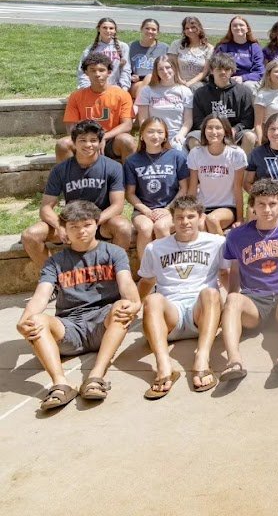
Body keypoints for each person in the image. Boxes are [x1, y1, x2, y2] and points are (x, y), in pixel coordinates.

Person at [17, 200, 140, 410]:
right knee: (35, 321)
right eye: (74, 227)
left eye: (87, 225)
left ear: (96, 224)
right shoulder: (55, 262)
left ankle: (96, 377)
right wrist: (25, 320)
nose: (81, 231)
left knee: (122, 306)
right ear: (64, 229)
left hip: (105, 323)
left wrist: (135, 302)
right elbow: (41, 295)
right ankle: (60, 384)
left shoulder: (113, 253)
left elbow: (126, 282)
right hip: (69, 326)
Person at [219, 179, 278, 379]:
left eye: (272, 204)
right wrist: (232, 310)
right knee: (233, 299)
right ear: (252, 205)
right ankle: (233, 361)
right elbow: (234, 271)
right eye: (261, 204)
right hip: (254, 300)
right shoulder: (236, 236)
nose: (267, 209)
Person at [137, 196, 226, 396]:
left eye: (190, 217)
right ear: (172, 220)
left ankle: (202, 358)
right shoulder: (156, 247)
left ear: (200, 218)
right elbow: (146, 281)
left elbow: (227, 275)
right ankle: (164, 367)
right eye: (179, 217)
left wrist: (234, 302)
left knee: (211, 292)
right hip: (171, 315)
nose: (185, 222)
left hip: (201, 314)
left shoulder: (217, 243)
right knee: (153, 299)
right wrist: (133, 304)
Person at [22, 120, 132, 269]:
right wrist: (60, 226)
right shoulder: (60, 169)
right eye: (82, 140)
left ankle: (114, 275)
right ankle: (56, 278)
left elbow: (117, 206)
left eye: (93, 140)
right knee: (31, 235)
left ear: (101, 143)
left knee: (124, 227)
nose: (88, 145)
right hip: (70, 222)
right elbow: (45, 208)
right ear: (74, 142)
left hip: (100, 223)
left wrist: (94, 223)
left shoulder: (113, 167)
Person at [125, 117, 189, 252]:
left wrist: (167, 209)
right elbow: (129, 194)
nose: (155, 136)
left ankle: (167, 270)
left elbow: (184, 188)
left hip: (172, 208)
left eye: (160, 132)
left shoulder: (177, 157)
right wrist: (146, 211)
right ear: (141, 135)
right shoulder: (132, 161)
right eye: (150, 132)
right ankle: (146, 272)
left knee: (161, 227)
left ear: (166, 135)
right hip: (143, 210)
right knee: (145, 228)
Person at [61, 51, 136, 163]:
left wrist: (103, 137)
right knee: (63, 144)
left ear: (109, 72)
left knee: (127, 140)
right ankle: (67, 179)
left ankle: (128, 179)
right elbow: (71, 126)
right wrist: (88, 141)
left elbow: (127, 125)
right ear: (86, 72)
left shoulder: (122, 94)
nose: (97, 74)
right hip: (85, 139)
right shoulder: (76, 96)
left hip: (111, 139)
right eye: (92, 70)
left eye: (101, 70)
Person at [187, 114, 248, 234]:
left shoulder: (236, 154)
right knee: (199, 225)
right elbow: (192, 188)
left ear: (225, 131)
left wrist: (240, 219)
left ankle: (225, 252)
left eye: (218, 128)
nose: (214, 132)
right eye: (209, 128)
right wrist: (189, 211)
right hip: (203, 206)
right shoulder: (196, 153)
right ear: (204, 131)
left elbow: (237, 188)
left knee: (212, 220)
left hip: (227, 207)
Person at [189, 53, 256, 154]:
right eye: (219, 69)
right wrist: (212, 130)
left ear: (232, 71)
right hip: (209, 130)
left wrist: (235, 129)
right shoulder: (200, 93)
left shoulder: (244, 92)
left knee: (250, 136)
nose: (223, 72)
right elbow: (198, 120)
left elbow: (248, 120)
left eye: (227, 69)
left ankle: (242, 168)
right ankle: (204, 168)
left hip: (235, 132)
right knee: (193, 139)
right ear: (211, 71)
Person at [135, 55, 193, 150]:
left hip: (176, 135)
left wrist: (180, 136)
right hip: (154, 134)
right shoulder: (147, 91)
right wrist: (150, 135)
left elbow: (188, 121)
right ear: (156, 72)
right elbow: (143, 119)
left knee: (178, 152)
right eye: (160, 69)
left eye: (168, 67)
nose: (165, 72)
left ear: (174, 68)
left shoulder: (185, 91)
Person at [76, 16, 130, 90]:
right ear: (98, 29)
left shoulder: (123, 47)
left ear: (115, 30)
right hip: (94, 88)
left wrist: (124, 87)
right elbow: (82, 71)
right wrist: (86, 87)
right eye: (104, 28)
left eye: (111, 28)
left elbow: (126, 70)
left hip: (115, 88)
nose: (108, 31)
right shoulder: (91, 49)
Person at [214, 16, 265, 90]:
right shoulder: (223, 47)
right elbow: (216, 67)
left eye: (241, 25)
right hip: (226, 78)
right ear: (230, 29)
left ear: (247, 29)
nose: (238, 28)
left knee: (248, 86)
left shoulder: (255, 47)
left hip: (248, 81)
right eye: (234, 26)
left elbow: (259, 72)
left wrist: (243, 78)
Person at [253, 60, 278, 143]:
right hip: (268, 131)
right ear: (268, 75)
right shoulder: (262, 95)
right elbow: (258, 124)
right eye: (277, 71)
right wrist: (260, 143)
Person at [128, 18, 168, 103]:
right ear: (141, 29)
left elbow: (169, 68)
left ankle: (137, 108)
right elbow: (125, 67)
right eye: (147, 28)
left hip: (158, 82)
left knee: (149, 77)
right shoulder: (131, 46)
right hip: (136, 83)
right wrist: (130, 77)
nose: (150, 31)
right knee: (144, 85)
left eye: (153, 29)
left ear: (158, 32)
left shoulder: (164, 48)